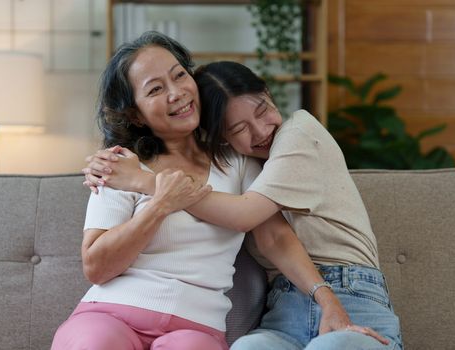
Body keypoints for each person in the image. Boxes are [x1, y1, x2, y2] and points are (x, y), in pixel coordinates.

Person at [54, 31, 365, 350]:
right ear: (135, 113)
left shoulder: (238, 162)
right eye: (156, 89)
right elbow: (96, 266)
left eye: (179, 76)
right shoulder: (124, 166)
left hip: (195, 329)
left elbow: (276, 238)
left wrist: (326, 297)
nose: (176, 93)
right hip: (110, 316)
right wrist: (160, 204)